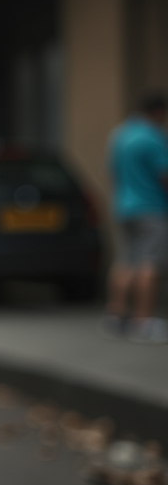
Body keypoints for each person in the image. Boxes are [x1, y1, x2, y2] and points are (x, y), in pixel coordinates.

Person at [102, 92, 168, 343]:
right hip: (151, 208)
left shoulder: (120, 135)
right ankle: (143, 320)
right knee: (149, 263)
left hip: (124, 207)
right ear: (158, 112)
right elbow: (165, 176)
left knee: (125, 261)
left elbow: (112, 173)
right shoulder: (153, 137)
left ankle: (115, 314)